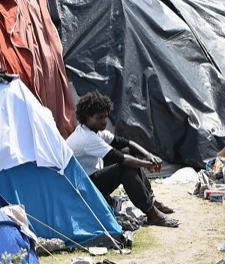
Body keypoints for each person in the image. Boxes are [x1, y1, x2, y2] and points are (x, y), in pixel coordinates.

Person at [66, 91, 178, 227]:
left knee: (127, 151)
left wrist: (148, 155)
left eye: (105, 117)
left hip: (89, 179)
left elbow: (125, 143)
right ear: (87, 117)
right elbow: (122, 159)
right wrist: (147, 164)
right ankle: (152, 213)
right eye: (99, 118)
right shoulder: (87, 138)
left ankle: (151, 200)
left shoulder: (93, 131)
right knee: (124, 168)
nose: (104, 122)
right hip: (82, 190)